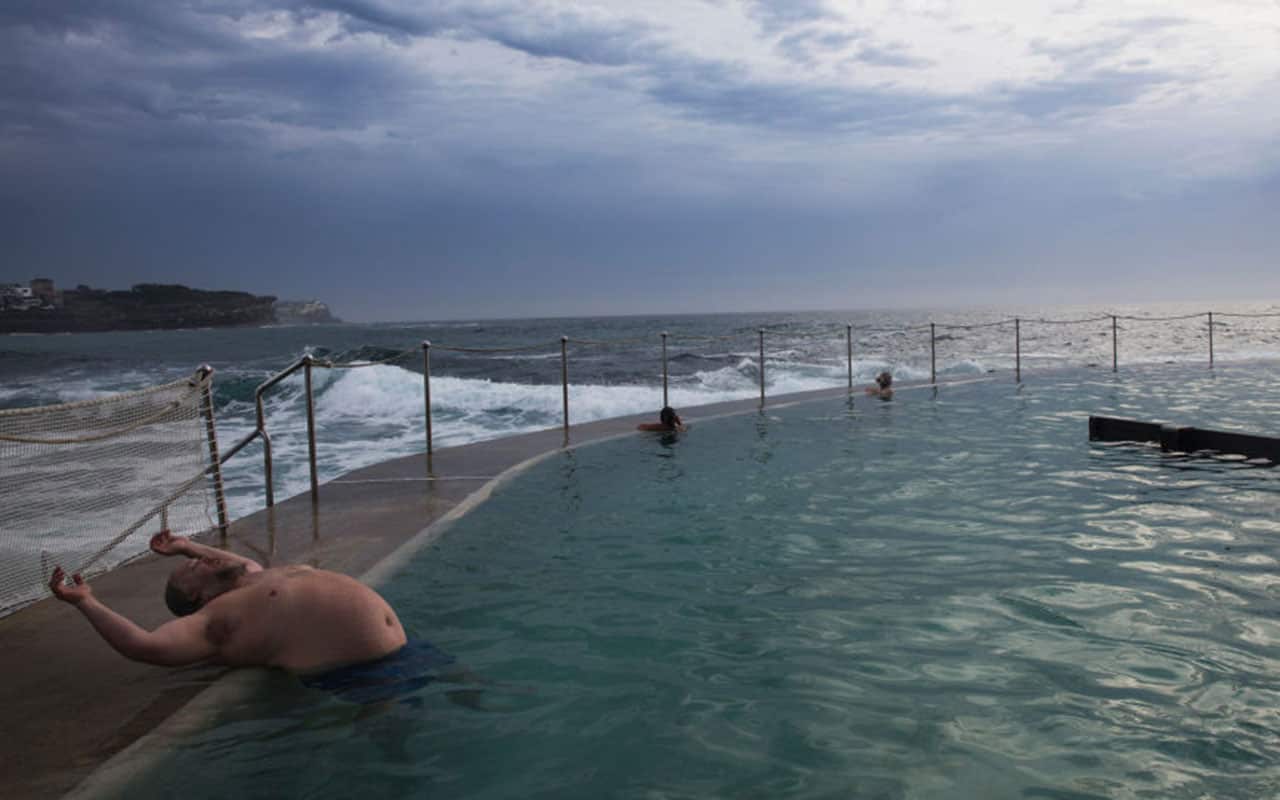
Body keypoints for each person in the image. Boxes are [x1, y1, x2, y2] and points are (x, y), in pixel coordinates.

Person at [47, 531, 412, 678]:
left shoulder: (253, 578)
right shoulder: (218, 619)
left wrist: (187, 547)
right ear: (198, 597)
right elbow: (146, 646)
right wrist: (86, 602)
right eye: (193, 567)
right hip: (358, 674)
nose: (205, 559)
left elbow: (232, 563)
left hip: (402, 651)